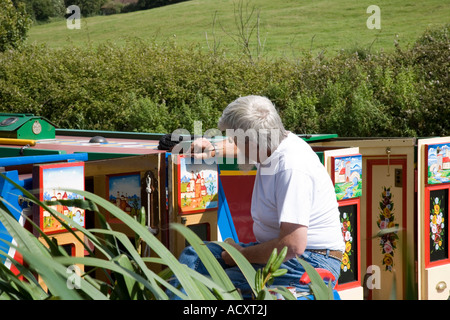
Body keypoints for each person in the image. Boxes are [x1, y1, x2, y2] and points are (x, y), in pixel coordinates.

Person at [174, 95, 344, 298]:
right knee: (195, 256)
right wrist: (213, 149)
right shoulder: (277, 142)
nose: (233, 144)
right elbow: (239, 148)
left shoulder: (291, 167)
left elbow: (293, 245)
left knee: (208, 286)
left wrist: (241, 256)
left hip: (310, 262)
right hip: (290, 254)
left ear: (253, 141)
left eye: (234, 139)